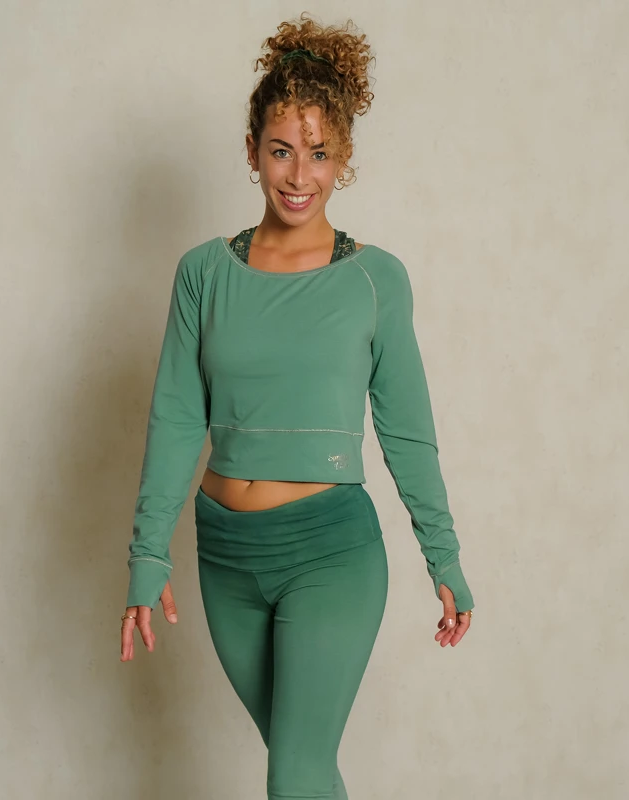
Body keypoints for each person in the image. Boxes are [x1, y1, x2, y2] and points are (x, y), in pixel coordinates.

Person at [119, 14, 474, 799]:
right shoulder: (203, 274)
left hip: (330, 553)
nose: (298, 174)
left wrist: (443, 557)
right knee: (304, 771)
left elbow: (407, 432)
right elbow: (176, 418)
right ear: (252, 150)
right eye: (281, 149)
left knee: (294, 772)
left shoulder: (375, 280)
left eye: (318, 153)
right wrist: (148, 556)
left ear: (343, 159)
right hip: (226, 557)